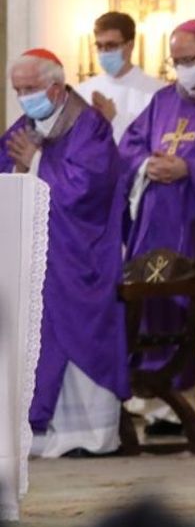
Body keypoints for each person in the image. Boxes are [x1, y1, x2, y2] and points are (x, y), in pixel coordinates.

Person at [116, 21, 195, 429]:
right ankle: (152, 404)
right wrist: (144, 163)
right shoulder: (164, 99)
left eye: (188, 60)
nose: (181, 68)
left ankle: (194, 401)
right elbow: (131, 143)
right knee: (151, 308)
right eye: (176, 61)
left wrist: (189, 167)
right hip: (152, 226)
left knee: (193, 307)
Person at [4, 49, 127, 457]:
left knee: (75, 333)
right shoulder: (24, 127)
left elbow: (89, 191)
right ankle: (36, 435)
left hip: (80, 256)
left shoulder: (89, 128)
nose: (24, 98)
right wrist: (21, 170)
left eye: (30, 89)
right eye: (18, 90)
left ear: (55, 87)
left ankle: (86, 435)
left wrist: (37, 162)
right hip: (34, 258)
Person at [78, 11, 166, 143]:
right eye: (99, 46)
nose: (104, 52)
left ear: (130, 46)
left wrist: (115, 118)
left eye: (111, 46)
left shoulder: (158, 92)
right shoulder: (82, 91)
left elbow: (154, 141)